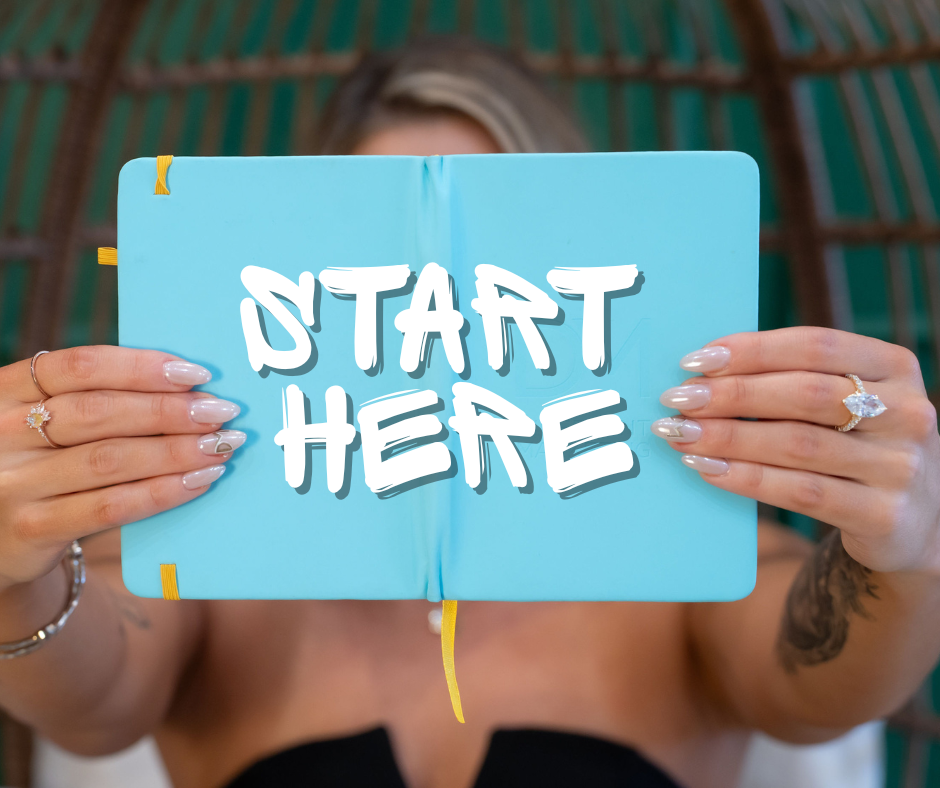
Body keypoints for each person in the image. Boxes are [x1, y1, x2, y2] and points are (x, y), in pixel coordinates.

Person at [1, 38, 939, 788]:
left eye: (492, 257)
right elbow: (95, 705)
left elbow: (820, 691)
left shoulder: (674, 556)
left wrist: (908, 552)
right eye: (386, 264)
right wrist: (11, 568)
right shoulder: (216, 553)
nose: (441, 313)